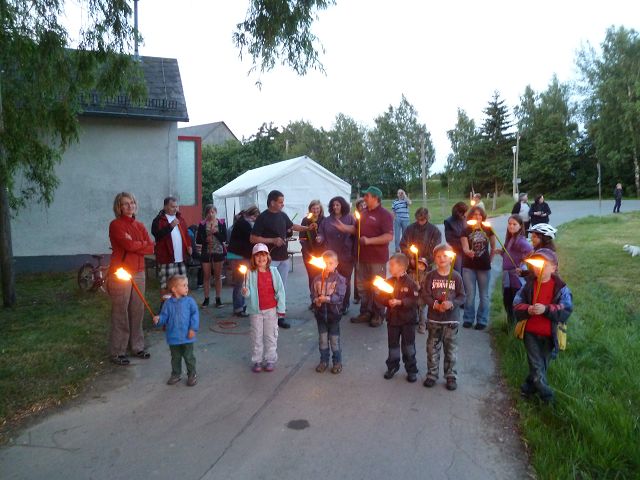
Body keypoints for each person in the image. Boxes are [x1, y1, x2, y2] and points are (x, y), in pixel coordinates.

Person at [513, 249, 573, 403]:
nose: (539, 268)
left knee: (541, 366)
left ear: (554, 267)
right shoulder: (528, 286)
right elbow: (516, 304)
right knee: (537, 366)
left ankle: (527, 388)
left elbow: (566, 309)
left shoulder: (561, 288)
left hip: (550, 334)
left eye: (544, 265)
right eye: (535, 265)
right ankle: (548, 398)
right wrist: (528, 309)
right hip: (530, 333)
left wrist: (546, 309)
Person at [250, 190, 314, 329]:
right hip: (269, 259)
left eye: (282, 202)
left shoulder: (282, 215)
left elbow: (292, 226)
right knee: (267, 287)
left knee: (281, 288)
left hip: (283, 258)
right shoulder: (263, 218)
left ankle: (280, 316)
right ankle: (265, 315)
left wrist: (307, 228)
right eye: (280, 202)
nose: (282, 204)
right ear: (272, 202)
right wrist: (272, 240)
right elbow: (253, 238)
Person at [107, 192, 155, 366]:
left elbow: (151, 247)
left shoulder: (140, 225)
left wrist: (138, 244)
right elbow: (128, 245)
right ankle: (118, 350)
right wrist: (140, 244)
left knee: (137, 310)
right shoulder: (115, 225)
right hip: (121, 273)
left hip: (139, 272)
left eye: (132, 203)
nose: (130, 206)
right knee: (120, 311)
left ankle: (137, 346)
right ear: (119, 207)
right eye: (125, 204)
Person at [347, 186, 394, 328]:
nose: (364, 198)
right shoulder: (363, 212)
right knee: (363, 287)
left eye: (367, 196)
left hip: (377, 259)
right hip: (361, 258)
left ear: (375, 197)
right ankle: (365, 312)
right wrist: (341, 226)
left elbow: (389, 236)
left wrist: (369, 241)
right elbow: (356, 230)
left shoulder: (384, 215)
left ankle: (378, 314)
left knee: (377, 287)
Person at [421, 243, 466, 391]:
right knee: (432, 348)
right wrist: (435, 304)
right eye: (438, 256)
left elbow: (462, 296)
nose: (442, 259)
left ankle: (451, 375)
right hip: (434, 320)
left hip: (451, 321)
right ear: (434, 258)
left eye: (445, 256)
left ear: (451, 258)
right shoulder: (430, 276)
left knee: (451, 349)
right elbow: (425, 294)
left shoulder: (456, 276)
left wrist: (451, 303)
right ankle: (432, 374)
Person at [242, 243, 286, 373]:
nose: (261, 259)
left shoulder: (274, 271)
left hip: (271, 310)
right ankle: (257, 360)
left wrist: (281, 309)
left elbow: (280, 291)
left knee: (271, 335)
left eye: (263, 255)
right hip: (256, 311)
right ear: (253, 259)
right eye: (258, 256)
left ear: (268, 257)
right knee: (256, 336)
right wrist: (245, 292)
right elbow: (247, 292)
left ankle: (270, 359)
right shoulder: (250, 273)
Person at [377, 253, 420, 382]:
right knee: (393, 345)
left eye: (392, 265)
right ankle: (392, 366)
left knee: (408, 346)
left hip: (407, 321)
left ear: (401, 267)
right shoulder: (388, 282)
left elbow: (414, 300)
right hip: (393, 320)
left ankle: (411, 369)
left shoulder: (411, 283)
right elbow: (381, 297)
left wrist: (401, 302)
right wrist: (387, 302)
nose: (389, 268)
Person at [152, 275, 199, 386]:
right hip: (173, 337)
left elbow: (195, 315)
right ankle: (176, 374)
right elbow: (164, 317)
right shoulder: (167, 304)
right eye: (183, 285)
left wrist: (193, 328)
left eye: (186, 285)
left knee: (189, 356)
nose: (187, 287)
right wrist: (158, 319)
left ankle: (192, 374)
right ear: (174, 289)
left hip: (187, 336)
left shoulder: (190, 302)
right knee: (175, 357)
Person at [316, 196, 355, 314]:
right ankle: (331, 302)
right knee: (330, 280)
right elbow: (321, 233)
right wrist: (319, 238)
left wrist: (345, 229)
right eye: (333, 205)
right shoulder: (327, 220)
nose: (335, 207)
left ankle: (344, 304)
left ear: (342, 205)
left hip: (346, 255)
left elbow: (356, 233)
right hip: (331, 256)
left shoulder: (350, 219)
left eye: (337, 205)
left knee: (345, 281)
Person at [460, 206, 496, 330]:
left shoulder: (488, 229)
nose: (477, 217)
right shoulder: (466, 230)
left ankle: (482, 320)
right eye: (475, 215)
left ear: (483, 216)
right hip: (468, 266)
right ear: (470, 217)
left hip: (484, 267)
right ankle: (468, 319)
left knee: (484, 295)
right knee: (470, 294)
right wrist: (468, 252)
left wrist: (490, 260)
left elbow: (493, 247)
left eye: (480, 215)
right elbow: (464, 247)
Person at [151, 196, 192, 302]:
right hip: (166, 259)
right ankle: (166, 310)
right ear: (165, 207)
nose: (175, 209)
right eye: (172, 206)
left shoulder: (180, 219)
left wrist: (189, 246)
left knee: (182, 285)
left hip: (181, 259)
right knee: (166, 286)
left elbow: (186, 235)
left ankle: (181, 309)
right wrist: (170, 226)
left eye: (176, 206)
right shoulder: (158, 220)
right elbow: (157, 235)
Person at [312, 250, 347, 374]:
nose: (327, 266)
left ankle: (337, 362)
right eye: (325, 263)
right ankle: (324, 361)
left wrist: (327, 298)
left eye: (330, 263)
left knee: (334, 340)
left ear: (336, 264)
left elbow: (340, 297)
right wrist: (317, 301)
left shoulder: (340, 280)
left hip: (333, 315)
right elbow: (313, 295)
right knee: (322, 339)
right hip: (321, 315)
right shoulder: (316, 279)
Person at [497, 215, 533, 325]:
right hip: (507, 277)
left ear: (520, 226)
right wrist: (501, 252)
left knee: (514, 302)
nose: (511, 226)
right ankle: (510, 325)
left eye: (514, 224)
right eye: (509, 224)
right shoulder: (511, 238)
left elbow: (530, 251)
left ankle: (517, 326)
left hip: (515, 278)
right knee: (507, 301)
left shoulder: (521, 240)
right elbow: (509, 256)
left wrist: (523, 262)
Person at [227, 205, 260, 317]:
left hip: (238, 255)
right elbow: (251, 239)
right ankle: (238, 308)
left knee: (242, 281)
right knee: (240, 282)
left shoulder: (243, 222)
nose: (256, 219)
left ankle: (241, 304)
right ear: (252, 215)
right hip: (239, 256)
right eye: (256, 216)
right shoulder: (244, 224)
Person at [196, 205, 227, 308]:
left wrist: (216, 233)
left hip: (218, 251)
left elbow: (224, 238)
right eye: (209, 212)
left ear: (216, 212)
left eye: (213, 211)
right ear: (206, 213)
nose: (211, 214)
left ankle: (218, 299)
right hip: (206, 252)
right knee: (206, 275)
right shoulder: (202, 224)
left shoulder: (221, 223)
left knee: (218, 276)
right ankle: (206, 299)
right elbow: (198, 240)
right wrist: (205, 239)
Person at [399, 207, 442, 272]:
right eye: (418, 220)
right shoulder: (410, 229)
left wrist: (424, 261)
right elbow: (403, 245)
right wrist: (410, 258)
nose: (420, 222)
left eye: (422, 220)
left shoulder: (435, 231)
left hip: (428, 265)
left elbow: (436, 249)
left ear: (427, 218)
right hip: (411, 265)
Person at [300, 199, 325, 307]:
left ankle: (322, 298)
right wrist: (307, 252)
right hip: (309, 254)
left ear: (320, 209)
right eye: (313, 208)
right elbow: (302, 237)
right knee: (312, 277)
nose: (315, 210)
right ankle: (314, 300)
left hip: (322, 254)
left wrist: (321, 238)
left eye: (317, 208)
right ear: (310, 209)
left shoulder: (324, 220)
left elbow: (327, 235)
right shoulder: (305, 220)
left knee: (323, 277)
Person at [444, 202, 468, 273]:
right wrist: (463, 246)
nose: (463, 215)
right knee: (458, 271)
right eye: (462, 213)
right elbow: (449, 240)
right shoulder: (449, 222)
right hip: (457, 251)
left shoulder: (465, 219)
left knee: (467, 272)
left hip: (467, 250)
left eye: (464, 213)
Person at [352, 198, 367, 305]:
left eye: (365, 205)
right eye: (361, 205)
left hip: (368, 248)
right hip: (357, 248)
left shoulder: (370, 217)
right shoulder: (356, 219)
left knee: (367, 273)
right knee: (358, 273)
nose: (363, 207)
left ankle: (366, 294)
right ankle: (357, 295)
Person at [416, 257, 429, 335]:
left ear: (425, 267)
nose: (420, 266)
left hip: (422, 297)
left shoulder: (427, 276)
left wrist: (420, 287)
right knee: (414, 310)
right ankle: (415, 322)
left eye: (422, 265)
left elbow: (427, 286)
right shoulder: (412, 273)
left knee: (422, 311)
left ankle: (422, 326)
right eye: (419, 264)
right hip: (414, 296)